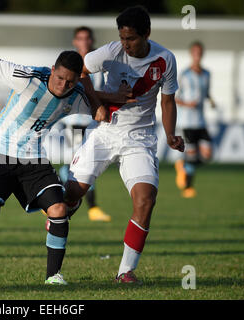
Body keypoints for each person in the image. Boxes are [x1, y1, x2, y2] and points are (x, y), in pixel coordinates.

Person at [0, 25, 130, 285]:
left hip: (34, 160)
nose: (62, 86)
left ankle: (53, 277)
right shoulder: (27, 77)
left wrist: (97, 90)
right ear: (52, 70)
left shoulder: (75, 94)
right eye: (59, 78)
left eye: (70, 81)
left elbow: (100, 113)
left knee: (58, 209)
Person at [63, 6, 185, 284]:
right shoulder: (109, 52)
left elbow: (167, 101)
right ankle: (68, 207)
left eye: (130, 38)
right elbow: (80, 70)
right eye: (122, 37)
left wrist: (170, 135)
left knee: (145, 200)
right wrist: (98, 104)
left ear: (147, 34)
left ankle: (125, 271)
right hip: (105, 133)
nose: (125, 44)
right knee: (71, 193)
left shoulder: (165, 60)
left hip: (139, 140)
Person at [57, 26, 111, 222]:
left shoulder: (98, 65)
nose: (84, 42)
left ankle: (58, 199)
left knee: (78, 166)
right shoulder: (69, 64)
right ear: (75, 41)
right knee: (81, 166)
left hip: (92, 123)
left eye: (87, 38)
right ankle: (91, 208)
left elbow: (99, 92)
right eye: (80, 38)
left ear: (92, 40)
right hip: (73, 122)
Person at [174, 41, 216, 198]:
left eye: (200, 52)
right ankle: (188, 188)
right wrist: (188, 104)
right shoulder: (185, 74)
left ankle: (182, 165)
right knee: (192, 156)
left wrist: (211, 100)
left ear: (202, 54)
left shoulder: (207, 74)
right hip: (187, 122)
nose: (197, 55)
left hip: (201, 121)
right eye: (195, 52)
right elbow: (175, 98)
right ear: (191, 54)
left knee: (207, 155)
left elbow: (206, 93)